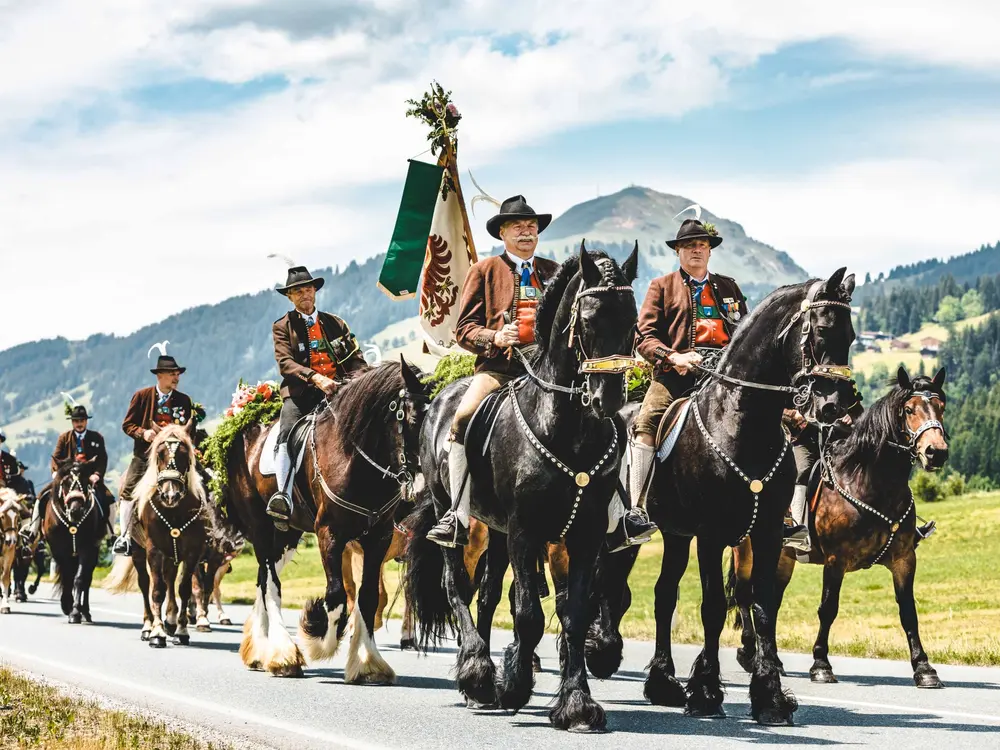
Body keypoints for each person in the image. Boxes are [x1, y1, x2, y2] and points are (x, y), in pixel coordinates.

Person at [425, 195, 657, 550]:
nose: (526, 232)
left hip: (557, 378)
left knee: (612, 425)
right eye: (517, 227)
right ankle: (455, 516)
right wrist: (495, 336)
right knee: (462, 419)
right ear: (502, 232)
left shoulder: (556, 272)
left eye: (531, 227)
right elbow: (464, 330)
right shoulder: (484, 271)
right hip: (501, 370)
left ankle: (621, 513)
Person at [629, 218, 749, 509]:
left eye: (702, 245)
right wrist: (673, 357)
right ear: (678, 252)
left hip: (726, 378)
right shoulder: (661, 286)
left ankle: (782, 517)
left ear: (710, 251)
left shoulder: (729, 286)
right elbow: (643, 336)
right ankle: (636, 509)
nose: (696, 250)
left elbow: (747, 332)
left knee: (770, 422)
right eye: (689, 246)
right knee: (646, 423)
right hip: (676, 376)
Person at [267, 265, 368, 522]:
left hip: (338, 393)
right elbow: (285, 364)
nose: (304, 294)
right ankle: (283, 496)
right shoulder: (282, 327)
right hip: (300, 395)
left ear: (315, 291)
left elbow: (355, 359)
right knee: (287, 433)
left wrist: (363, 381)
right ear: (290, 296)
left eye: (308, 289)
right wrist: (315, 377)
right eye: (298, 291)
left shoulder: (336, 323)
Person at [112, 350, 195, 556]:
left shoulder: (184, 400)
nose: (177, 378)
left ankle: (211, 535)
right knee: (128, 490)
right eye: (172, 374)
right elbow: (127, 424)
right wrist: (143, 433)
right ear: (160, 375)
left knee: (203, 484)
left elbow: (190, 428)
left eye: (178, 374)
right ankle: (125, 538)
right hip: (146, 456)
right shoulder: (141, 396)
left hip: (176, 455)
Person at [24, 404, 111, 539]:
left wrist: (97, 475)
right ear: (72, 422)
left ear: (86, 421)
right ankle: (32, 530)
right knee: (41, 496)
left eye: (82, 420)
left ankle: (113, 535)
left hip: (88, 477)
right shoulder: (64, 438)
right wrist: (55, 473)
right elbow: (56, 457)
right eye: (76, 421)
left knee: (109, 499)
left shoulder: (97, 437)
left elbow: (102, 459)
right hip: (67, 477)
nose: (79, 424)